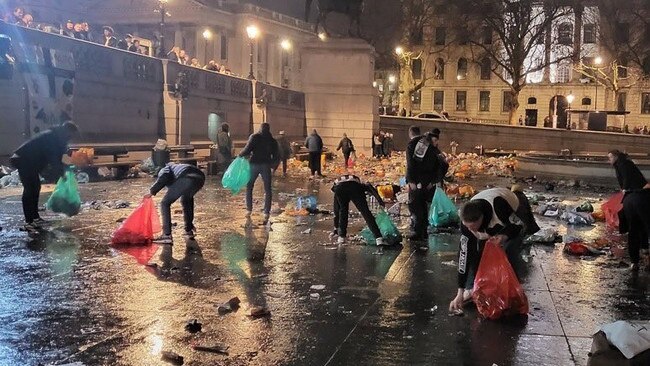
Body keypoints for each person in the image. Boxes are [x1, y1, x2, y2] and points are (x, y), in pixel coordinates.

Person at [449, 187, 524, 313]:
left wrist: (504, 236)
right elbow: (464, 255)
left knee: (510, 251)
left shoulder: (499, 209)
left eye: (473, 227)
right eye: (468, 227)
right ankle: (474, 287)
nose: (471, 230)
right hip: (488, 221)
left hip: (511, 207)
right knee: (476, 253)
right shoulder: (466, 225)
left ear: (481, 218)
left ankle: (511, 290)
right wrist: (460, 291)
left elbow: (518, 226)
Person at [10, 122, 79, 231]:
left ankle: (35, 217)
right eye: (70, 135)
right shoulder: (51, 137)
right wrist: (60, 172)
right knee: (30, 189)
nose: (71, 138)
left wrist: (64, 169)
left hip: (31, 161)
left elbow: (58, 157)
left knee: (35, 187)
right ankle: (29, 221)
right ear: (66, 131)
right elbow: (52, 157)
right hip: (23, 159)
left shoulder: (58, 138)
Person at [608, 150, 650, 271]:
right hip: (640, 197)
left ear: (616, 157)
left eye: (610, 157)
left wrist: (625, 190)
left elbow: (625, 178)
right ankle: (645, 250)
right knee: (644, 227)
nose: (609, 160)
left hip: (630, 199)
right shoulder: (624, 163)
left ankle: (634, 262)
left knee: (634, 231)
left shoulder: (623, 164)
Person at [149, 163, 205, 244]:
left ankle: (166, 235)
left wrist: (152, 191)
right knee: (187, 199)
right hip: (200, 177)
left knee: (165, 203)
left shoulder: (165, 168)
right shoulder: (177, 167)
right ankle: (188, 230)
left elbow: (164, 177)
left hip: (186, 176)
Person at [405, 126, 443, 242]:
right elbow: (441, 165)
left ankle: (417, 231)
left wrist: (411, 180)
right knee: (423, 205)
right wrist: (434, 181)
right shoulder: (433, 148)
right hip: (428, 181)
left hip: (417, 180)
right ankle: (423, 231)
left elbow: (411, 164)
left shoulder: (415, 144)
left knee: (415, 205)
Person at [239, 122, 279, 224]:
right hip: (266, 165)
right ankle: (266, 212)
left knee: (249, 186)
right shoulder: (272, 140)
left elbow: (247, 149)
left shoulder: (254, 137)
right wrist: (274, 167)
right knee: (268, 189)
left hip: (254, 164)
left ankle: (249, 209)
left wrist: (240, 154)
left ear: (260, 128)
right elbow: (276, 155)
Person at [331, 174, 387, 246]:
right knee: (365, 212)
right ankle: (378, 238)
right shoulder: (359, 184)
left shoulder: (336, 186)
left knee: (343, 211)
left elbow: (336, 210)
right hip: (355, 188)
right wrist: (380, 202)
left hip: (340, 188)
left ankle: (341, 237)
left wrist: (335, 228)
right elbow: (370, 187)